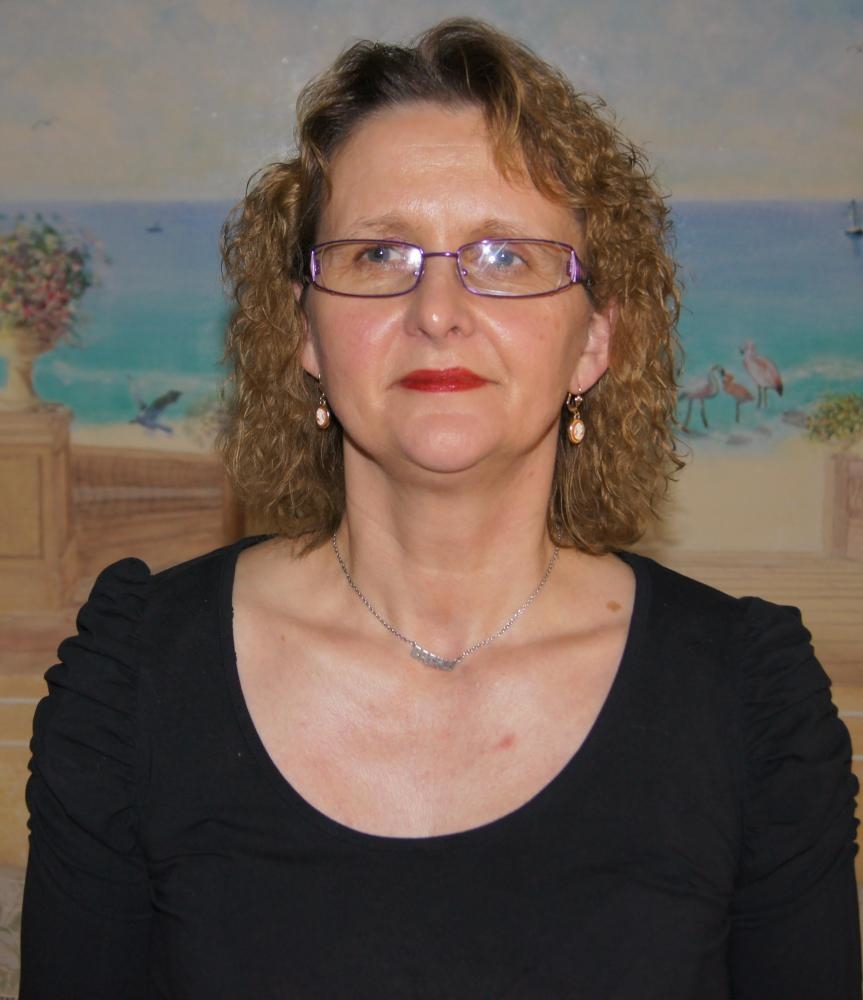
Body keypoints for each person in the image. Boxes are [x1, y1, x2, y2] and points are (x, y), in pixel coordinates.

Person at [21, 18, 860, 1000]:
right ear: (304, 331)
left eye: (504, 256)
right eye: (379, 253)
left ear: (592, 340)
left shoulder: (748, 704)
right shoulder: (133, 682)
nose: (437, 311)